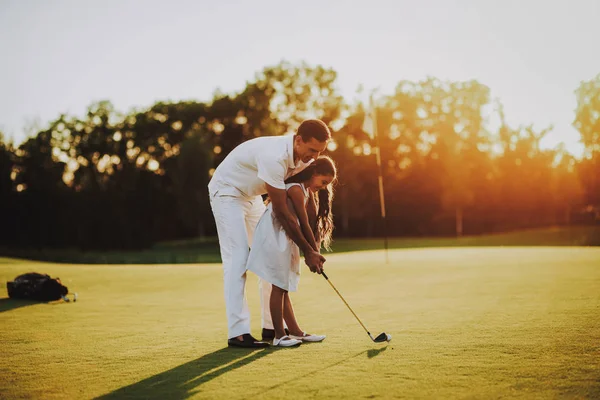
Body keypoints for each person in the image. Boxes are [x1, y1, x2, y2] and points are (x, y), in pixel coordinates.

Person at [208, 119, 331, 348]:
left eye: (319, 152)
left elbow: (308, 200)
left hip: (252, 196)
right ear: (298, 140)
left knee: (272, 257)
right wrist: (307, 252)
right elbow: (284, 213)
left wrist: (313, 247)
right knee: (238, 259)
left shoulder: (304, 160)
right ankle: (238, 332)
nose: (313, 157)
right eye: (311, 149)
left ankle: (272, 327)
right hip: (227, 193)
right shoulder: (274, 157)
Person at [247, 156, 337, 346]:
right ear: (313, 173)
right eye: (323, 181)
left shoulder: (305, 191)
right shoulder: (296, 189)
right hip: (275, 235)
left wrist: (314, 252)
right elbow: (303, 224)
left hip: (285, 236)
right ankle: (279, 335)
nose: (323, 186)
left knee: (284, 285)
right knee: (278, 285)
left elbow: (310, 223)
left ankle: (295, 332)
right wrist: (311, 253)